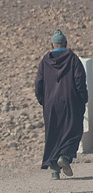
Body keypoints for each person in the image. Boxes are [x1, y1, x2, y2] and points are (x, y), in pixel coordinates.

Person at [35, 29, 88, 180]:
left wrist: (44, 101)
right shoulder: (73, 59)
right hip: (71, 101)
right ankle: (64, 157)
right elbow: (79, 81)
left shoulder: (45, 61)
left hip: (51, 103)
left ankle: (54, 171)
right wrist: (83, 98)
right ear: (66, 43)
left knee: (53, 133)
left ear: (52, 45)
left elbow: (38, 84)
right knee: (73, 130)